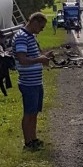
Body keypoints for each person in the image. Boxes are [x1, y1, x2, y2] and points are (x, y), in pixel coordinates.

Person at [12, 12, 54, 151]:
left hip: (36, 82)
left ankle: (33, 138)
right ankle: (27, 142)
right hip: (28, 83)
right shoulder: (21, 37)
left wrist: (44, 56)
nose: (41, 30)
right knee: (28, 113)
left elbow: (32, 56)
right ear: (34, 22)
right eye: (41, 27)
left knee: (34, 112)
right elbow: (23, 60)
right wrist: (40, 60)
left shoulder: (30, 37)